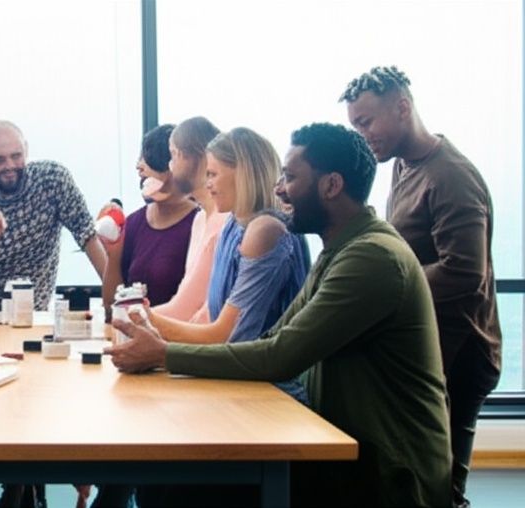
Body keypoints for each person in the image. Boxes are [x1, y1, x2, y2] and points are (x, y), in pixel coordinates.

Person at [106, 123, 452, 507]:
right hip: (341, 448)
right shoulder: (341, 251)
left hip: (386, 474)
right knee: (169, 483)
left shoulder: (372, 258)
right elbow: (270, 342)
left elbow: (278, 356)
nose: (280, 188)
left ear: (331, 186)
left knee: (179, 488)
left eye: (290, 177)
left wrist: (162, 354)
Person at [341, 66, 500, 508]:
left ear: (403, 108)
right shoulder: (404, 167)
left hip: (462, 352)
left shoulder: (451, 175)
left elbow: (466, 272)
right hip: (427, 346)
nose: (363, 134)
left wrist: (393, 287)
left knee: (442, 488)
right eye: (356, 125)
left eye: (367, 122)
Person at [144, 127, 308, 403]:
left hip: (269, 394)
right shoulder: (232, 224)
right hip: (236, 382)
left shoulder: (265, 230)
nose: (207, 184)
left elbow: (228, 336)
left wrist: (145, 320)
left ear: (242, 173)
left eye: (213, 174)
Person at [0, 120, 106, 312]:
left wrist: (116, 300)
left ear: (26, 150)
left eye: (16, 156)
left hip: (36, 318)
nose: (9, 166)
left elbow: (87, 235)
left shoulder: (52, 181)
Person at [101, 124, 197, 308]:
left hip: (174, 334)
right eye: (140, 158)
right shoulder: (134, 222)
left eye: (149, 159)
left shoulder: (198, 224)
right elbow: (110, 306)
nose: (139, 167)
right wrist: (113, 253)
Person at [150, 116, 228, 323]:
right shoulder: (200, 219)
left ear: (197, 158)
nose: (171, 166)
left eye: (174, 155)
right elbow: (184, 299)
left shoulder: (225, 222)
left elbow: (186, 308)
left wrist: (126, 319)